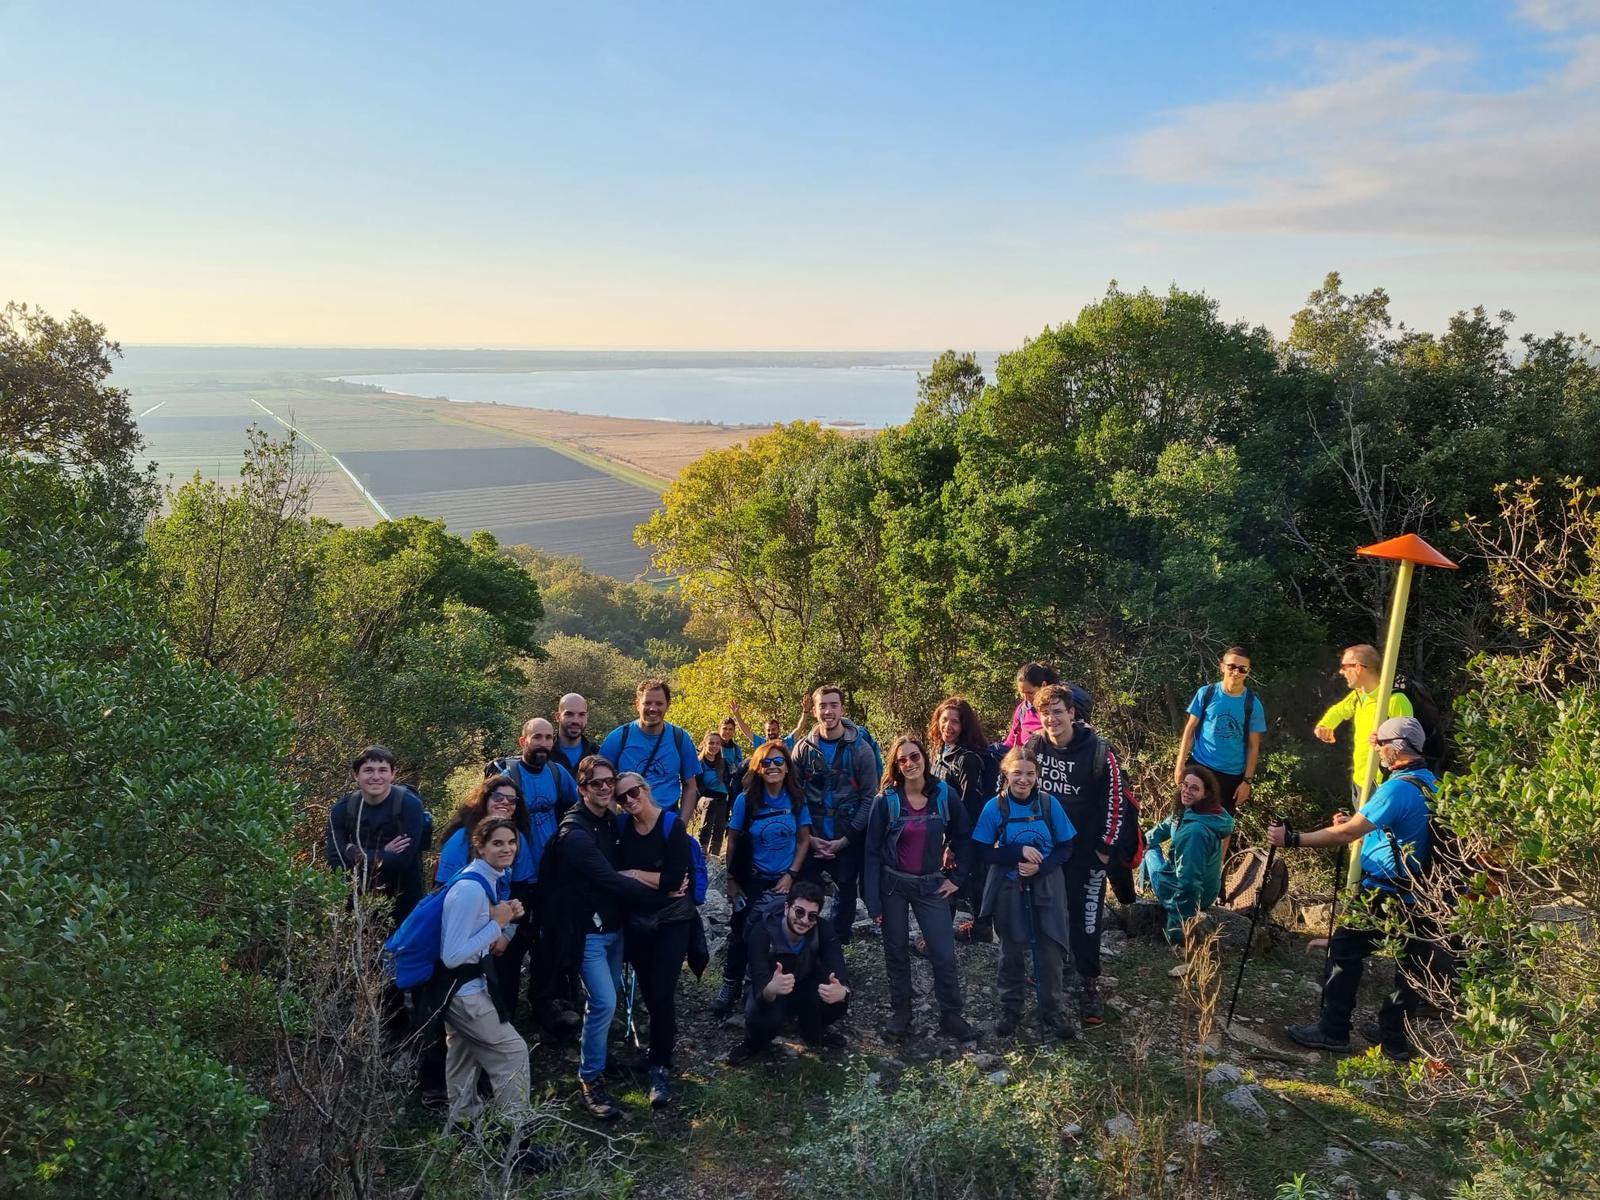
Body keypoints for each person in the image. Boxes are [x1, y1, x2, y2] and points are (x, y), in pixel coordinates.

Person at [1269, 717, 1440, 1061]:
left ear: (1396, 748)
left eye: (1380, 745)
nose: (1377, 751)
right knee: (1411, 968)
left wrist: (1293, 839)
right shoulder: (1432, 785)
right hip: (1424, 895)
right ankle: (1394, 1038)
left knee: (1344, 952)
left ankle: (1333, 1031)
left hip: (1385, 893)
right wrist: (1358, 825)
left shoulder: (1396, 788)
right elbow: (1401, 830)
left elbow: (1347, 834)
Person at [549, 755, 661, 1120]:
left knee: (605, 1000)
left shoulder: (612, 820)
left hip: (614, 929)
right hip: (588, 934)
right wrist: (666, 891)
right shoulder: (574, 834)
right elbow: (611, 879)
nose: (604, 788)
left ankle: (598, 1057)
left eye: (609, 782)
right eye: (595, 783)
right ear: (581, 789)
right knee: (603, 1002)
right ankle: (590, 1079)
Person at [432, 815, 545, 1170]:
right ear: (479, 847)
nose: (507, 849)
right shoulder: (470, 889)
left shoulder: (485, 881)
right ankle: (516, 1145)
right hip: (464, 992)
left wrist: (503, 916)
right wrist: (498, 923)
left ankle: (462, 1129)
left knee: (463, 1057)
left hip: (457, 990)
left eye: (511, 842)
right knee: (513, 1052)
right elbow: (452, 955)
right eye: (497, 843)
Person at [1024, 683, 1136, 1026]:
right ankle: (1051, 969)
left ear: (1072, 713)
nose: (1052, 719)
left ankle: (1089, 983)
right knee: (1045, 911)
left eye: (1058, 712)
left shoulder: (1099, 752)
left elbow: (1116, 804)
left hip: (1087, 852)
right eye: (1045, 713)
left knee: (1086, 920)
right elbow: (1018, 789)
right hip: (1046, 850)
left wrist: (1105, 849)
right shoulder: (1033, 747)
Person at [863, 734, 977, 1041]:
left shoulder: (944, 795)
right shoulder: (885, 801)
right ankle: (902, 1013)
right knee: (896, 950)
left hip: (930, 885)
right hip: (893, 886)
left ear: (925, 758)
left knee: (943, 952)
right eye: (902, 759)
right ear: (896, 765)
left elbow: (964, 836)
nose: (910, 763)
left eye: (915, 756)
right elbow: (871, 853)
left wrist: (957, 879)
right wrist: (872, 901)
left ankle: (951, 1016)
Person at [972, 746, 1078, 1039]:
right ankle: (1011, 1009)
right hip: (1010, 887)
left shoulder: (1048, 804)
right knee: (1012, 949)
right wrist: (1017, 851)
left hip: (1048, 885)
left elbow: (1066, 847)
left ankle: (1052, 1010)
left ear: (1037, 775)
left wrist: (1040, 867)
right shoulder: (995, 807)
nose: (1024, 779)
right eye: (1017, 773)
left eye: (1030, 774)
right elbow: (982, 850)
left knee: (1051, 949)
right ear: (1006, 773)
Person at [487, 717, 580, 1029]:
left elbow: (577, 806)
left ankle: (543, 1004)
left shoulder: (557, 773)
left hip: (551, 874)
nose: (543, 744)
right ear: (523, 741)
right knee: (512, 944)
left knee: (550, 942)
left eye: (548, 738)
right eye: (537, 737)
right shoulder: (508, 776)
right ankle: (504, 1013)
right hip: (517, 877)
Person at [711, 741, 812, 1016]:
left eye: (779, 762)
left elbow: (804, 840)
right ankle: (731, 983)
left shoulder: (796, 799)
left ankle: (781, 989)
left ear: (787, 767)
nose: (772, 767)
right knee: (742, 932)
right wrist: (731, 879)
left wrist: (791, 874)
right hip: (753, 878)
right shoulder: (746, 801)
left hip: (785, 879)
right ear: (757, 767)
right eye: (766, 762)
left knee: (786, 934)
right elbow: (733, 840)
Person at [615, 773, 697, 1108]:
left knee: (662, 991)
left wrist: (634, 874)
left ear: (646, 790)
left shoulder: (671, 826)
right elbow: (614, 875)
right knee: (650, 991)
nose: (629, 800)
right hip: (637, 921)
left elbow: (675, 879)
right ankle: (657, 1051)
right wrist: (655, 882)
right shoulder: (621, 827)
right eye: (621, 797)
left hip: (672, 920)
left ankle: (660, 1066)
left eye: (633, 792)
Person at [435, 775, 537, 1017]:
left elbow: (522, 887)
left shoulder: (517, 839)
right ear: (484, 800)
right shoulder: (461, 840)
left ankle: (503, 1026)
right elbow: (442, 891)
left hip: (503, 927)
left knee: (504, 986)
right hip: (465, 931)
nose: (505, 803)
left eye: (512, 800)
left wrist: (506, 933)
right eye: (498, 797)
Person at [727, 881, 852, 1064]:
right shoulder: (762, 932)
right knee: (761, 1015)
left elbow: (838, 968)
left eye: (812, 916)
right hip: (770, 987)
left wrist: (843, 992)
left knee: (837, 998)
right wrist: (771, 989)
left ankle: (813, 1031)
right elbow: (759, 984)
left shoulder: (823, 929)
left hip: (805, 983)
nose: (804, 920)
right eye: (799, 912)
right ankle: (752, 1043)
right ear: (787, 908)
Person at [793, 683, 880, 945]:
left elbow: (869, 798)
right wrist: (809, 837)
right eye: (822, 706)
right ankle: (804, 945)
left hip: (847, 836)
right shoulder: (803, 749)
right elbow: (795, 796)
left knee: (845, 893)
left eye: (833, 705)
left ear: (842, 709)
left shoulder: (861, 750)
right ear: (815, 710)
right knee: (805, 893)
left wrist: (845, 840)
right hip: (812, 837)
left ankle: (836, 946)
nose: (828, 711)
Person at [326, 744, 426, 923]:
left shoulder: (409, 806)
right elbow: (336, 861)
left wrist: (353, 852)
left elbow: (403, 860)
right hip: (357, 905)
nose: (376, 777)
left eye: (383, 770)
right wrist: (384, 852)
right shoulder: (342, 809)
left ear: (393, 774)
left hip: (403, 905)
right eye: (368, 770)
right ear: (356, 775)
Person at [1140, 765, 1236, 946]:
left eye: (1194, 788)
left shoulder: (1195, 832)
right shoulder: (1200, 812)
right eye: (1185, 785)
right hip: (1208, 891)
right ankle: (1143, 887)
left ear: (1206, 794)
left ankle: (1143, 887)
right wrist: (1142, 840)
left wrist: (1177, 932)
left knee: (1150, 851)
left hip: (1188, 894)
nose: (1186, 791)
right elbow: (1164, 827)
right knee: (1148, 842)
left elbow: (1189, 882)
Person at [927, 697, 994, 942]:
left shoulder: (968, 759)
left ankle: (941, 938)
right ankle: (978, 928)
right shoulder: (941, 752)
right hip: (946, 830)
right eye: (944, 720)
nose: (948, 726)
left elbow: (969, 805)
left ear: (965, 725)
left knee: (955, 880)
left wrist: (952, 845)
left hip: (968, 832)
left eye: (955, 722)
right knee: (967, 879)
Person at [1315, 644, 1414, 802]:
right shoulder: (1359, 696)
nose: (1341, 672)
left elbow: (1408, 745)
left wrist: (1385, 745)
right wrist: (1325, 726)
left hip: (1383, 785)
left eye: (1345, 667)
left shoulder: (1395, 700)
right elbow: (1338, 711)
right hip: (1360, 782)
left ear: (1358, 668)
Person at [1175, 647, 1266, 818]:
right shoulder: (1206, 693)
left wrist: (1247, 782)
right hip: (1199, 766)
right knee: (1184, 817)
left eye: (1242, 669)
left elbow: (1254, 746)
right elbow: (1190, 729)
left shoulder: (1253, 704)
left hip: (1230, 776)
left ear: (1248, 671)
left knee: (1220, 824)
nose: (1236, 672)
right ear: (1222, 666)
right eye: (1231, 667)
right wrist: (1180, 765)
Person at [598, 678, 699, 814]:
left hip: (667, 820)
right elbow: (601, 785)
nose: (653, 709)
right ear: (637, 704)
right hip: (628, 820)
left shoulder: (680, 739)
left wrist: (681, 823)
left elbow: (690, 786)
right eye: (647, 703)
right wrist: (611, 821)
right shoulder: (617, 738)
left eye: (659, 703)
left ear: (668, 705)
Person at [695, 729, 736, 858]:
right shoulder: (699, 763)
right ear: (705, 744)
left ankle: (714, 855)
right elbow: (698, 788)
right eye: (711, 743)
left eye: (717, 743)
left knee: (720, 820)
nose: (714, 746)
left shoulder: (723, 763)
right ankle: (702, 850)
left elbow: (728, 786)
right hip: (703, 800)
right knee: (711, 803)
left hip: (721, 800)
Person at [1003, 663, 1060, 747]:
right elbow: (1011, 742)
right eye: (1022, 693)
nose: (1025, 698)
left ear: (1043, 685)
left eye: (1030, 693)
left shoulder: (1059, 709)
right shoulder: (1022, 710)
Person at [553, 693, 599, 777]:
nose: (575, 720)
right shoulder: (545, 753)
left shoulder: (597, 754)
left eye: (581, 714)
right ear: (558, 717)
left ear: (586, 717)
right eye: (569, 714)